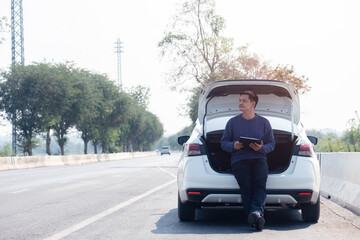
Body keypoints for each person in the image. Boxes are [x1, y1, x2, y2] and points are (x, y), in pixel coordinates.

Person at [221, 91, 275, 231]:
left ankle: (254, 216)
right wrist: (234, 145)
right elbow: (224, 142)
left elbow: (271, 144)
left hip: (259, 158)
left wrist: (261, 148)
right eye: (239, 100)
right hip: (239, 159)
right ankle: (256, 215)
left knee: (260, 186)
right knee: (247, 189)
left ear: (253, 104)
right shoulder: (232, 122)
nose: (240, 103)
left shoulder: (264, 122)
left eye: (244, 100)